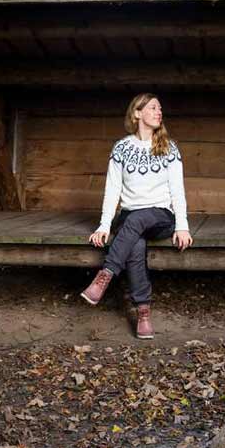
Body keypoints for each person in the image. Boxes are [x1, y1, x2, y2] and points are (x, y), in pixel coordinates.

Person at [79, 93, 193, 339]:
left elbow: (177, 190)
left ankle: (105, 275)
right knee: (135, 242)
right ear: (137, 113)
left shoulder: (169, 147)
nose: (159, 111)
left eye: (160, 108)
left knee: (137, 220)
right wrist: (104, 226)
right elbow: (113, 189)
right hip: (130, 217)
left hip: (161, 217)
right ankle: (143, 312)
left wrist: (182, 226)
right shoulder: (122, 148)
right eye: (153, 107)